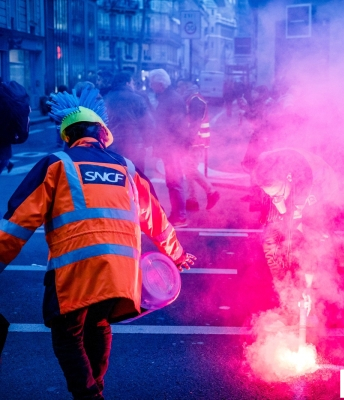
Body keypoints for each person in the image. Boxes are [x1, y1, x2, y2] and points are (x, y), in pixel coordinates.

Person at [0, 86, 195, 399]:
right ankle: (96, 388)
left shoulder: (57, 164)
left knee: (67, 335)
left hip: (74, 275)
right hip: (121, 276)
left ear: (68, 136)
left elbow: (18, 222)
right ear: (104, 134)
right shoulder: (127, 168)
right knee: (99, 323)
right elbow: (157, 219)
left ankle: (91, 396)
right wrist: (178, 253)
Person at [252, 148, 343, 319]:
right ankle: (285, 291)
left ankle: (313, 296)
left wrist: (306, 287)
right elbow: (276, 225)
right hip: (293, 185)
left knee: (308, 238)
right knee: (272, 238)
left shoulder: (307, 188)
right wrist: (279, 204)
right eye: (269, 195)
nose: (274, 198)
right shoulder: (265, 170)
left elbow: (309, 242)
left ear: (288, 179)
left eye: (277, 194)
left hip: (321, 187)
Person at [147, 69, 188, 226]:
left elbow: (176, 126)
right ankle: (177, 214)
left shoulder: (171, 99)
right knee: (172, 181)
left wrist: (167, 144)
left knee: (175, 180)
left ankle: (180, 215)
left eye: (152, 83)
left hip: (172, 147)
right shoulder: (168, 97)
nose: (151, 86)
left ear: (160, 84)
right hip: (170, 147)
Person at [176, 80, 220, 211]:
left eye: (180, 86)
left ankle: (211, 191)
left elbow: (195, 123)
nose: (179, 89)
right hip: (196, 141)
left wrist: (188, 141)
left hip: (196, 142)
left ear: (186, 85)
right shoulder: (193, 99)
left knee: (189, 169)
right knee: (188, 169)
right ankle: (192, 200)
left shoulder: (195, 100)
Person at [104, 71, 154, 171]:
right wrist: (148, 143)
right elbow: (148, 123)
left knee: (116, 177)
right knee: (136, 177)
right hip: (135, 145)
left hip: (112, 146)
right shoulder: (138, 99)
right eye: (132, 82)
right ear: (127, 83)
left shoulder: (106, 99)